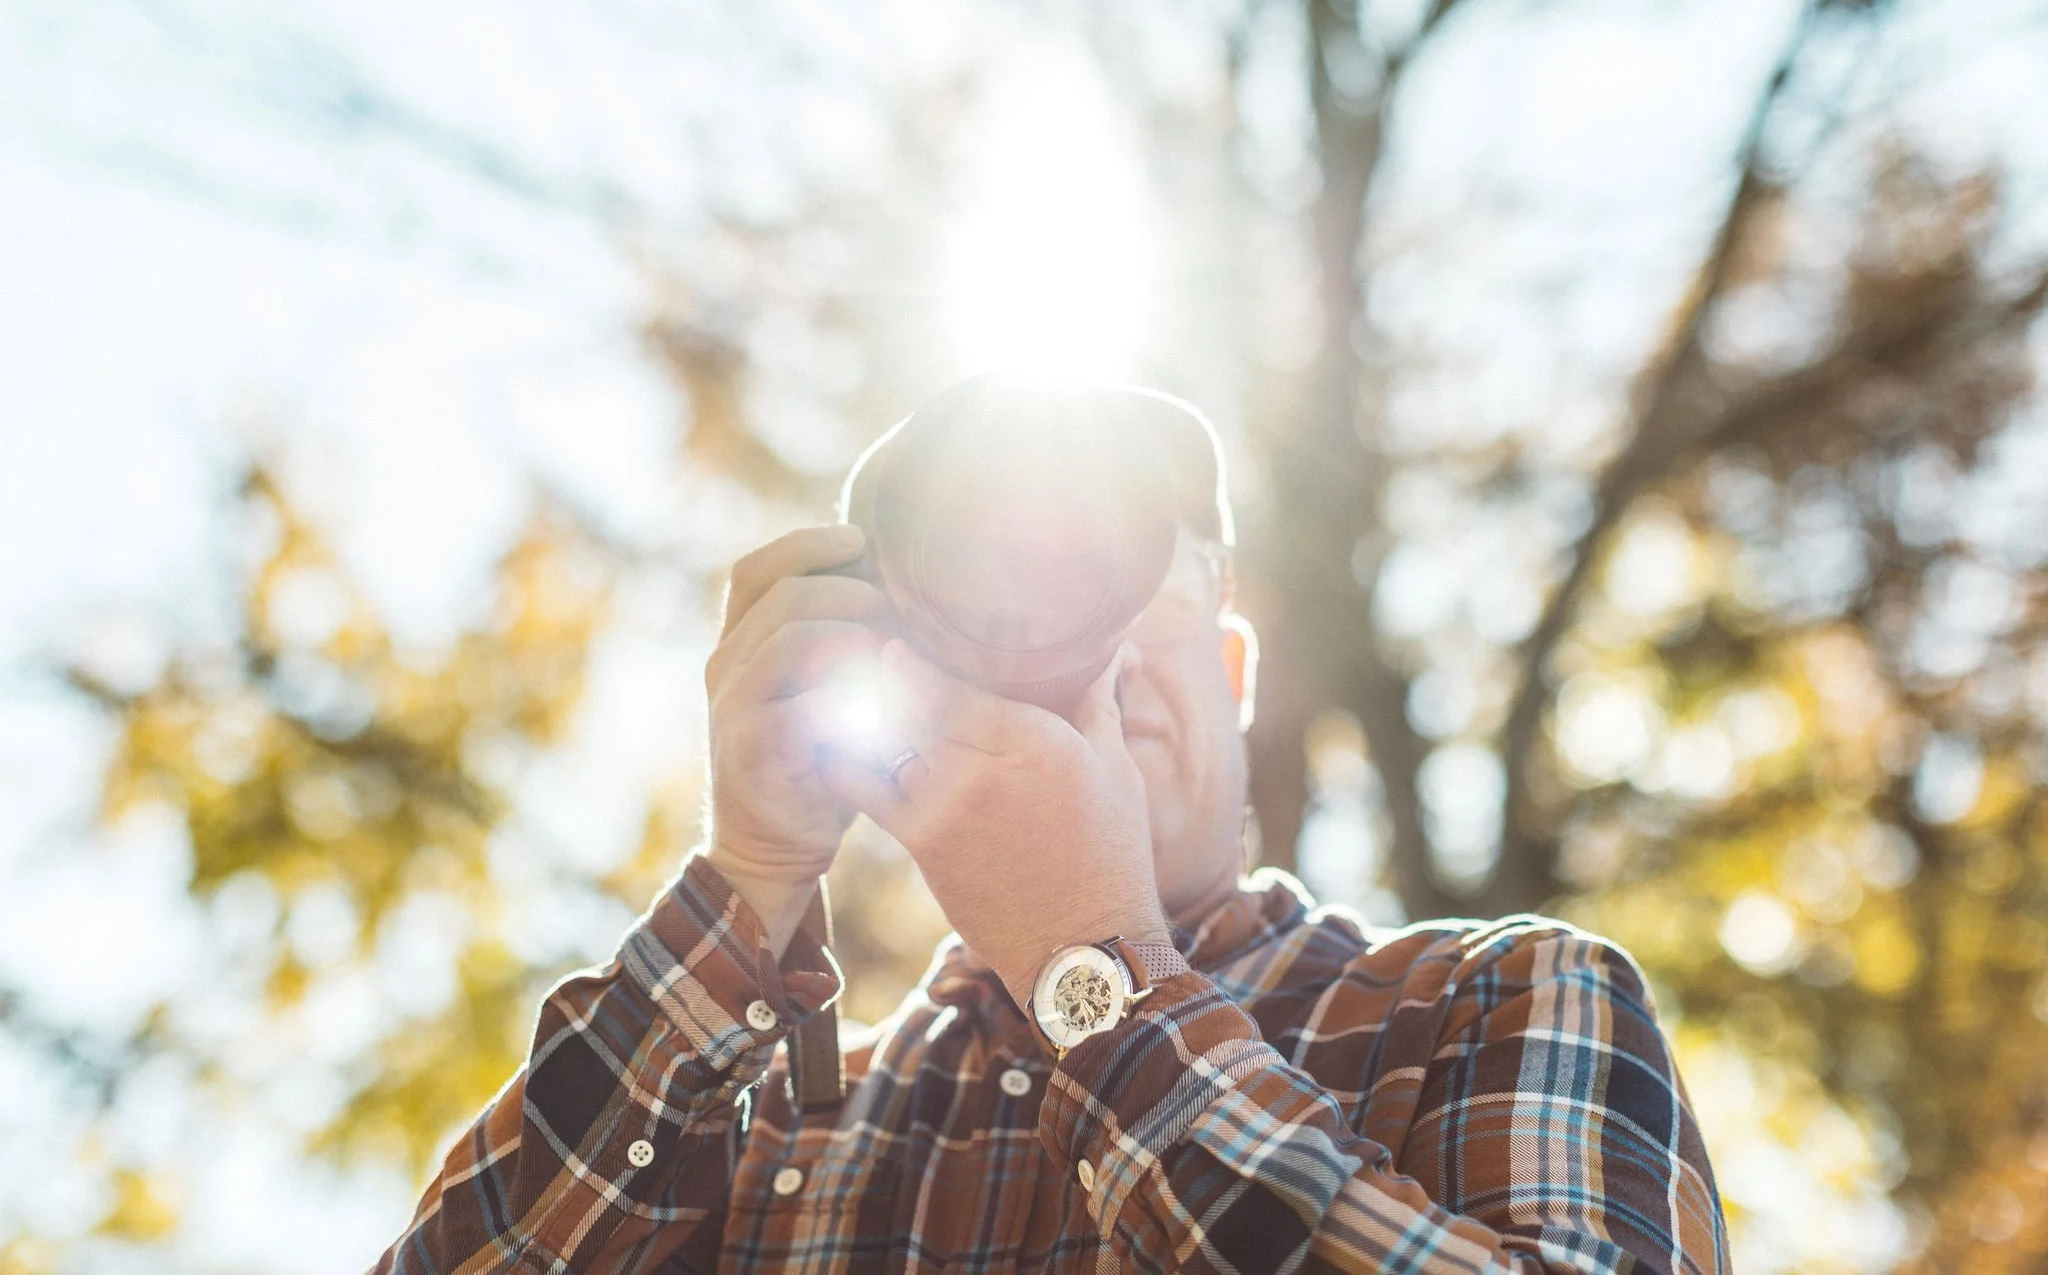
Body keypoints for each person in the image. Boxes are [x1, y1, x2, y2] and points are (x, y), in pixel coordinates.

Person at [372, 383, 1728, 1274]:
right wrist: (755, 875)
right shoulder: (764, 1133)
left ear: (1237, 673)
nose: (1077, 643)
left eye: (1122, 575)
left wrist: (1094, 975)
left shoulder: (1496, 999)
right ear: (900, 660)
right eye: (995, 591)